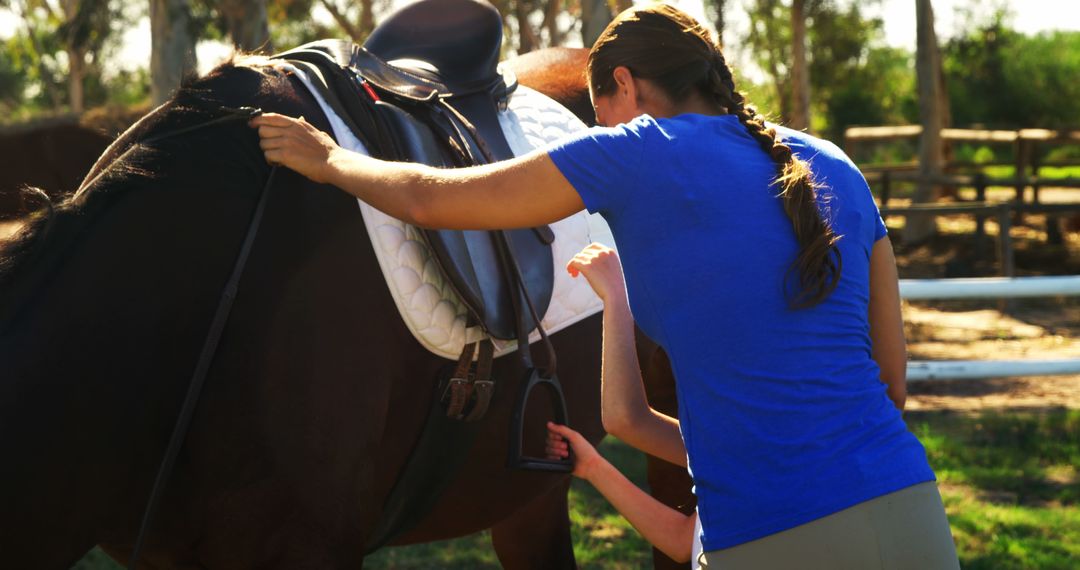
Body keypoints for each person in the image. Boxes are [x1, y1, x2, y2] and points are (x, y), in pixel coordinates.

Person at [251, 4, 960, 567]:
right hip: (908, 507)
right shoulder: (835, 164)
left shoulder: (634, 152)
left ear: (624, 85)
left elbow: (437, 200)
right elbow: (889, 384)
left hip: (764, 535)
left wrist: (332, 161)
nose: (602, 125)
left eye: (601, 107)